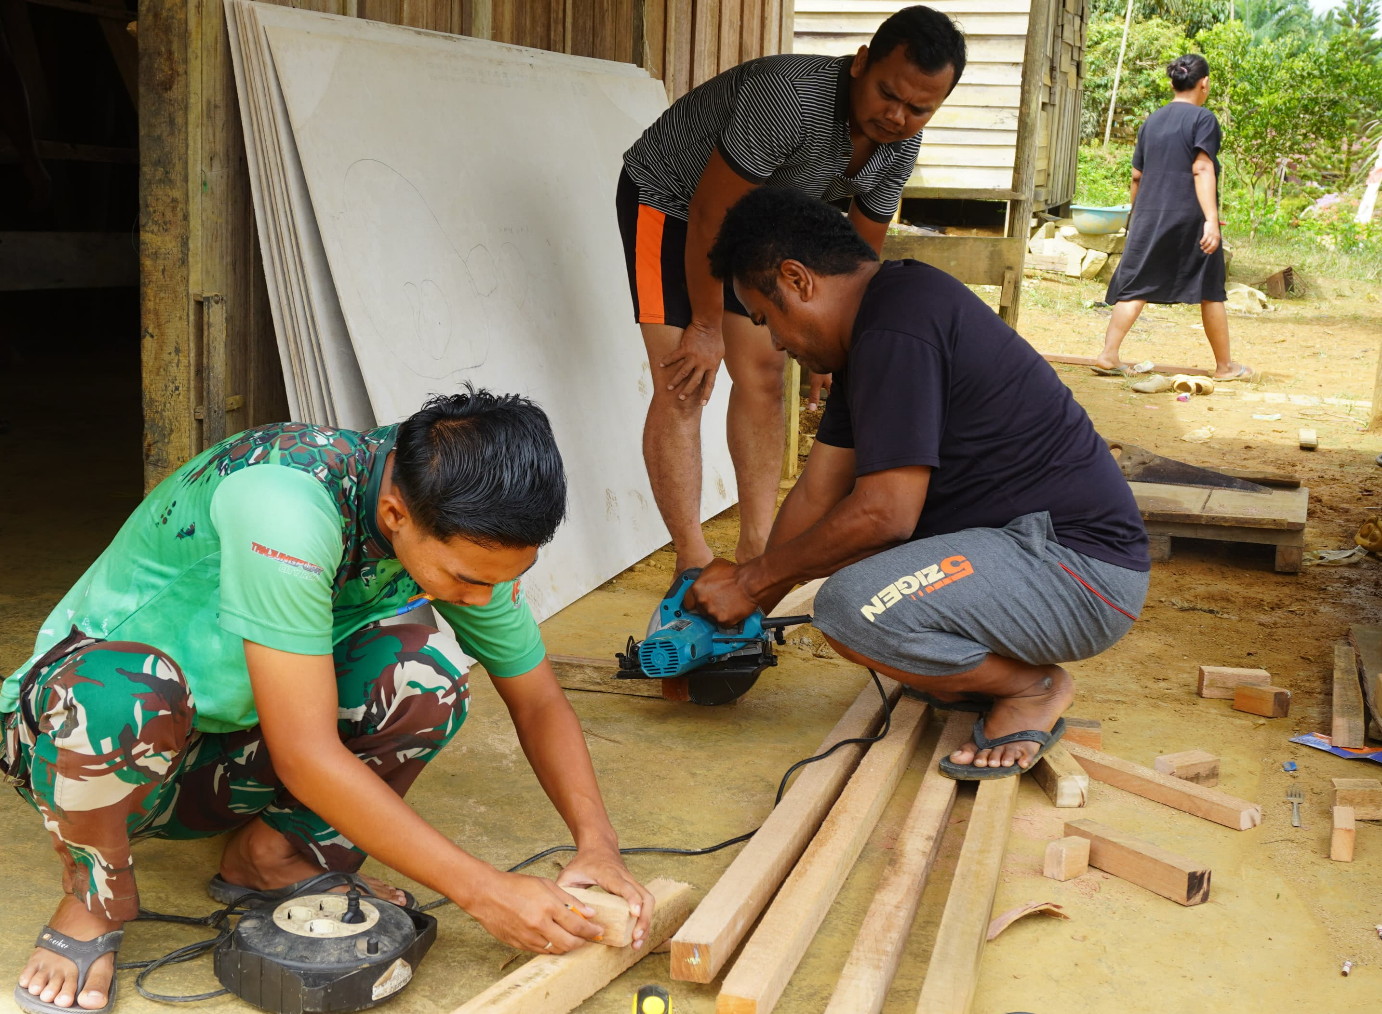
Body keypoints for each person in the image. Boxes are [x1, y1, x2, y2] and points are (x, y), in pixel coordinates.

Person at [4, 388, 653, 1014]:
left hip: (219, 749)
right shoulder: (285, 504)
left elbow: (537, 700)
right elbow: (305, 757)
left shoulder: (446, 505)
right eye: (466, 578)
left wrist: (598, 845)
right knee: (125, 693)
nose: (483, 599)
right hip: (83, 749)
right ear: (397, 515)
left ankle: (272, 857)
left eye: (504, 580)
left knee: (419, 676)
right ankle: (92, 897)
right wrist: (484, 892)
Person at [684, 188, 1150, 778]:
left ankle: (1032, 687)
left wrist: (751, 581)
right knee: (864, 592)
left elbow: (885, 516)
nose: (775, 341)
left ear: (798, 280)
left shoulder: (897, 326)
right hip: (1028, 555)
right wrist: (743, 616)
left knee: (850, 608)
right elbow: (817, 491)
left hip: (1077, 573)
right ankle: (983, 676)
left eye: (766, 318)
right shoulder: (876, 330)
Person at [617, 6, 966, 573]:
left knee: (765, 372)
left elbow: (858, 257)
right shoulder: (787, 96)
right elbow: (711, 213)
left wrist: (833, 342)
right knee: (686, 376)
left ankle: (756, 547)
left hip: (767, 218)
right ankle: (692, 560)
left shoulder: (899, 143)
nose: (897, 115)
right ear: (860, 65)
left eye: (919, 109)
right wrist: (705, 327)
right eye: (888, 94)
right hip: (676, 200)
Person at [1092, 53, 1252, 382]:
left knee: (1136, 285)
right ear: (1204, 83)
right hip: (1189, 217)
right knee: (1210, 288)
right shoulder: (1203, 119)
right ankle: (1224, 367)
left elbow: (1137, 176)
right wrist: (1211, 219)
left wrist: (1136, 218)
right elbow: (1202, 167)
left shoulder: (1152, 121)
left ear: (1172, 83)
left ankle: (1109, 355)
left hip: (1148, 215)